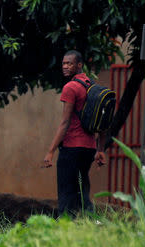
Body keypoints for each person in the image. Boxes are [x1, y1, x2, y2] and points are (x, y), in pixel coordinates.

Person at [42, 50, 106, 216]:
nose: (65, 66)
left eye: (69, 63)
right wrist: (100, 150)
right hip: (89, 148)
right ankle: (90, 222)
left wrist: (50, 151)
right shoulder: (92, 86)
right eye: (63, 63)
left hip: (71, 148)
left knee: (65, 193)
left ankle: (65, 227)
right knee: (82, 189)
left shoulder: (70, 87)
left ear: (79, 65)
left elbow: (65, 123)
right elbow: (104, 123)